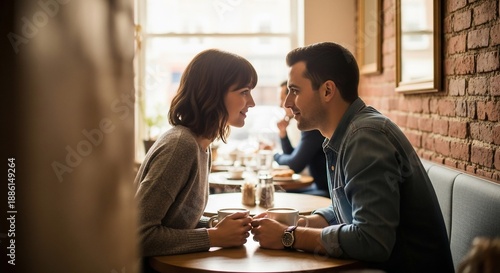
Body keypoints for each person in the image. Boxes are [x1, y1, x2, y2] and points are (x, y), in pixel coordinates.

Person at [250, 42, 454, 273]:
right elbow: (349, 209)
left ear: (327, 90)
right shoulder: (346, 135)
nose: (287, 103)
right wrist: (298, 223)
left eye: (295, 91)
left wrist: (289, 236)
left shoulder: (365, 138)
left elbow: (371, 241)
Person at [134, 49, 257, 271]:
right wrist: (214, 237)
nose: (252, 102)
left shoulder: (202, 146)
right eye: (244, 92)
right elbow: (138, 236)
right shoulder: (181, 146)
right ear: (213, 94)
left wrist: (214, 225)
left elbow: (172, 224)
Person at [274, 80, 328, 197]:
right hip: (319, 187)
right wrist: (283, 135)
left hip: (327, 192)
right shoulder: (310, 124)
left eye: (282, 99)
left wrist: (275, 155)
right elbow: (293, 155)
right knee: (278, 192)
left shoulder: (313, 126)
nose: (281, 104)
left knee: (278, 194)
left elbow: (294, 165)